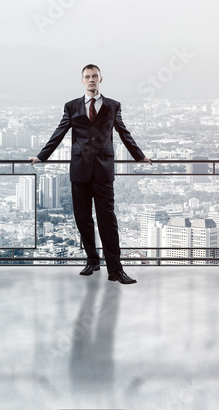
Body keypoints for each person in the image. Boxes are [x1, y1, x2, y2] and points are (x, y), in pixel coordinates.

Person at [30, 64, 152, 284]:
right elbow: (59, 133)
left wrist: (139, 156)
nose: (91, 80)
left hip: (104, 172)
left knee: (108, 221)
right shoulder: (71, 106)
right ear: (82, 80)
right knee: (83, 219)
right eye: (87, 77)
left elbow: (124, 133)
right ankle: (92, 260)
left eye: (95, 76)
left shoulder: (113, 106)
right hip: (79, 171)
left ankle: (115, 269)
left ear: (101, 79)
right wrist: (41, 156)